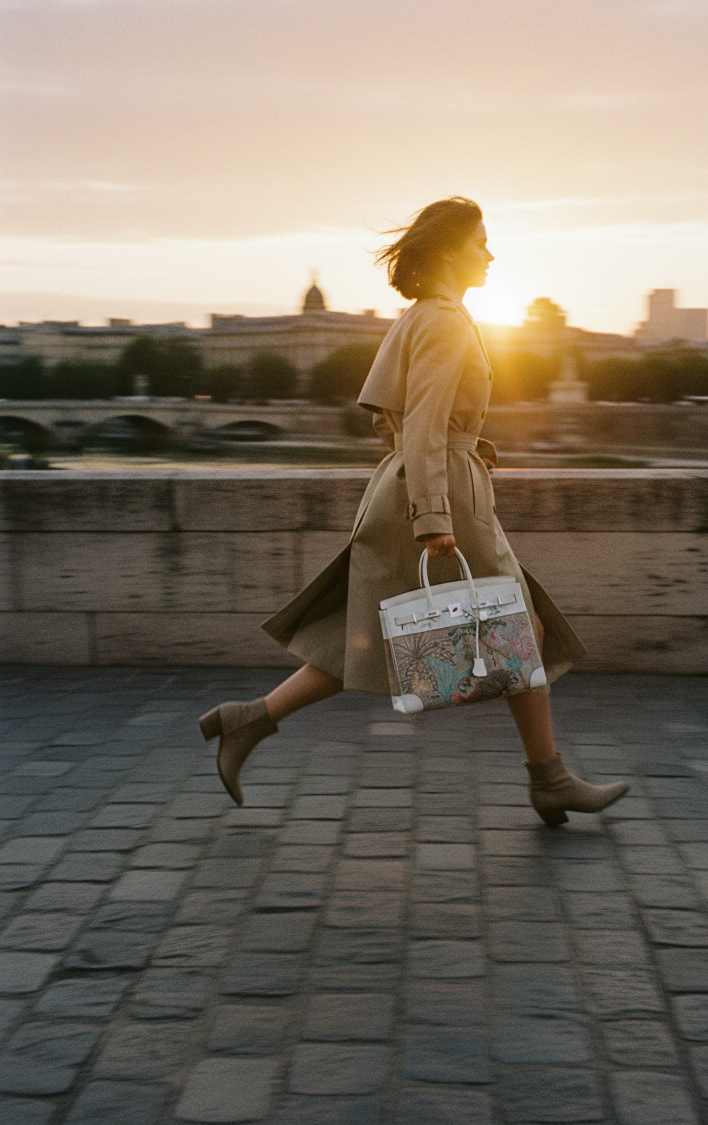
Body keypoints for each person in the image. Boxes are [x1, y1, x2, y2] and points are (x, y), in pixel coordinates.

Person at [199, 197, 628, 824]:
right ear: (453, 249)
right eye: (482, 241)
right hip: (443, 498)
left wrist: (462, 442)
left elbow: (396, 421)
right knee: (519, 628)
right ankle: (549, 777)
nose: (489, 253)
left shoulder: (420, 315)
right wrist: (434, 515)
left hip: (420, 482)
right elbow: (423, 421)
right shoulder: (448, 321)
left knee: (376, 637)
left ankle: (250, 720)